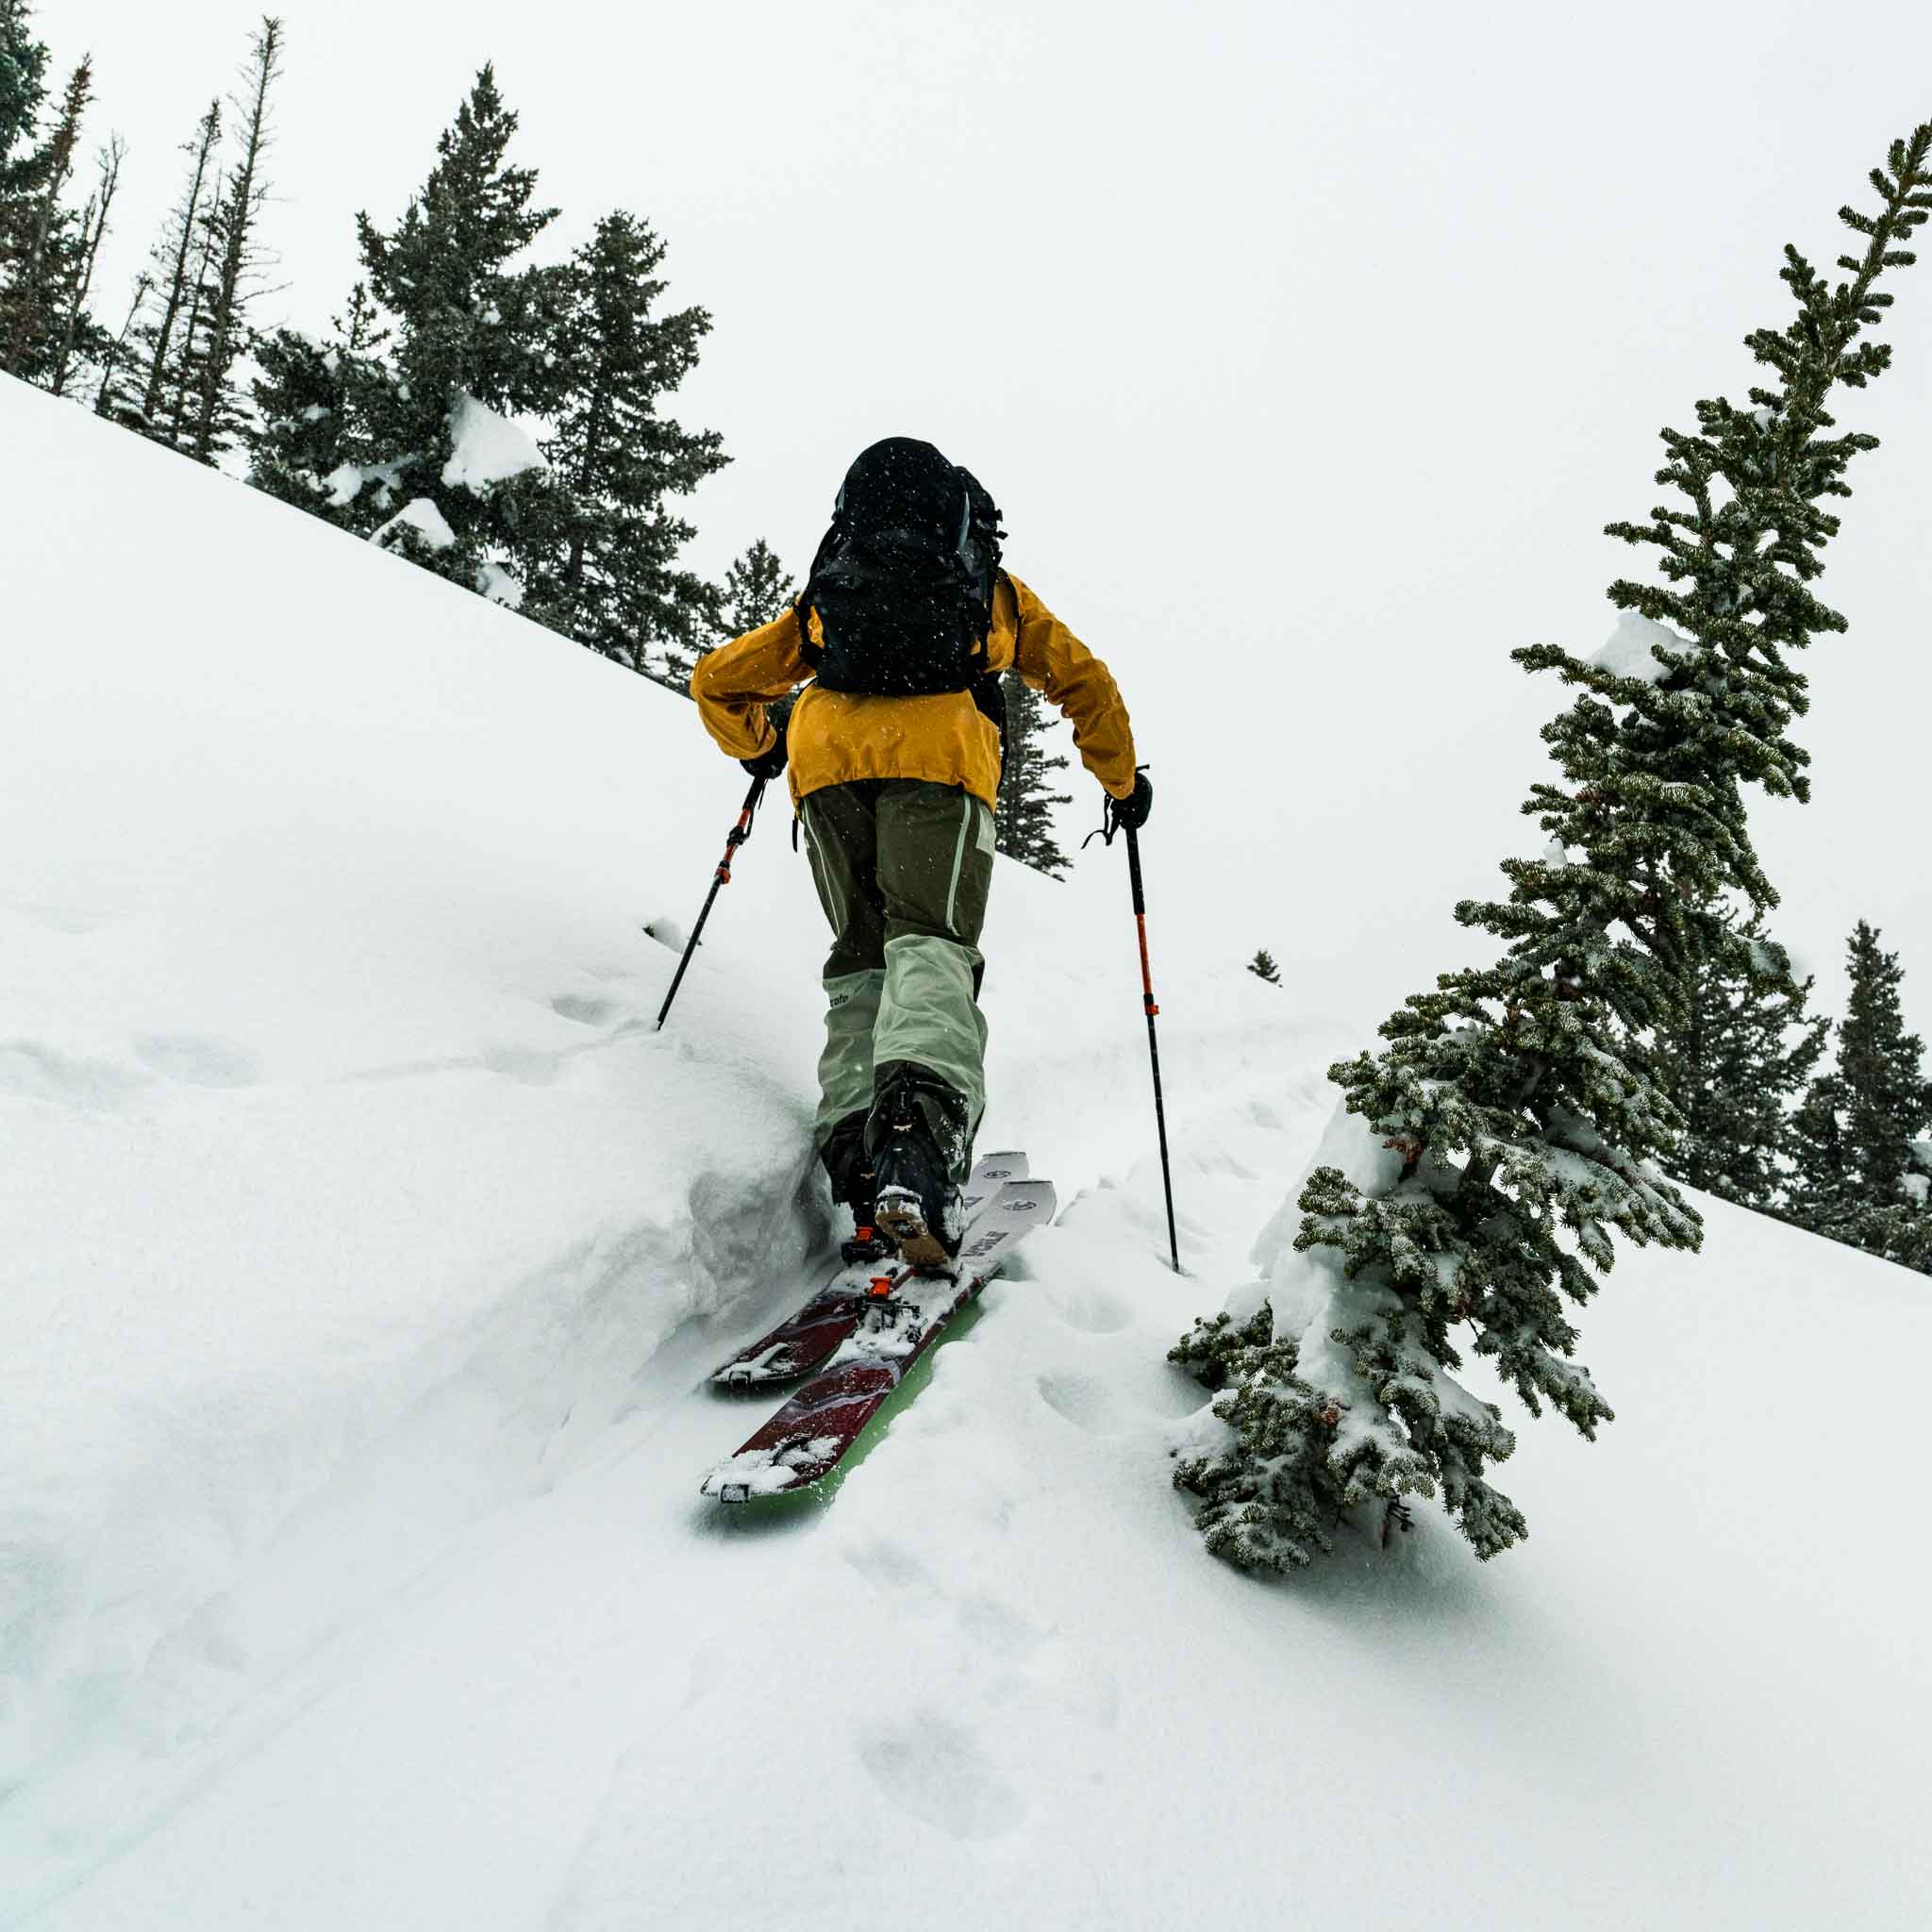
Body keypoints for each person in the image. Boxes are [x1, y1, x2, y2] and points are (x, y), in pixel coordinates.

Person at [691, 437, 1151, 1266]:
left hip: (826, 765)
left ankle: (858, 1168)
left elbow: (717, 679)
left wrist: (762, 746)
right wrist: (1121, 785)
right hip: (940, 762)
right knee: (929, 944)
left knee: (862, 957)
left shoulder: (830, 591)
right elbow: (1087, 683)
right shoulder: (996, 594)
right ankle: (918, 1146)